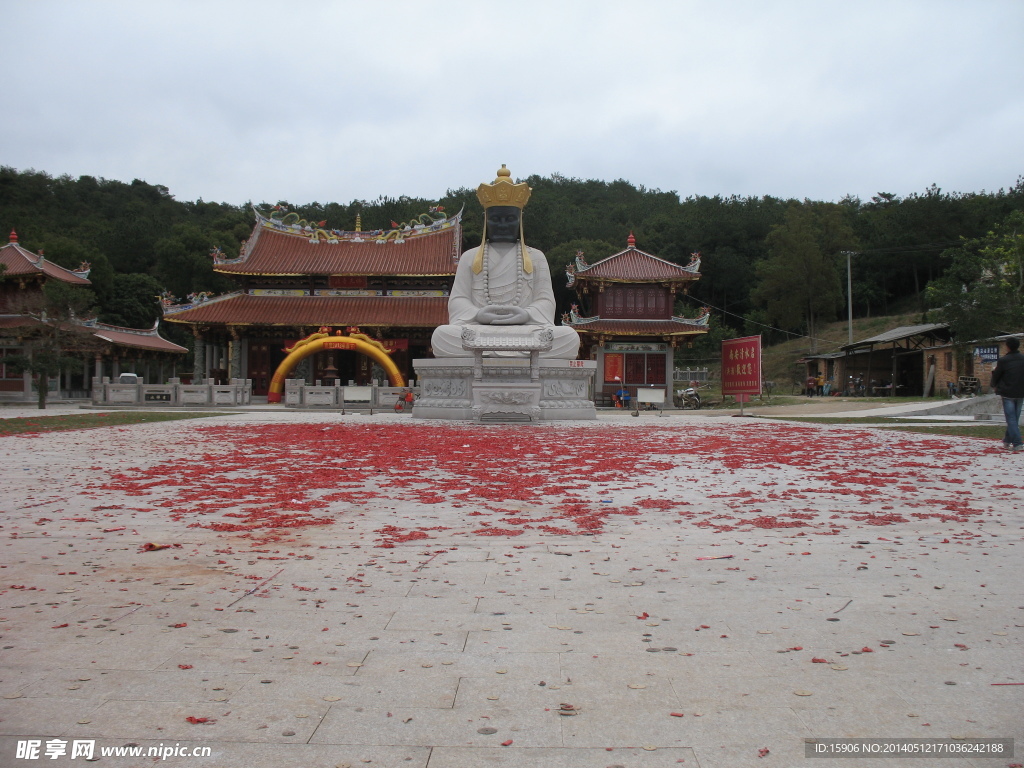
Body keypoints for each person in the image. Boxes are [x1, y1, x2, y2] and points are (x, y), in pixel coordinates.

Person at [430, 166, 581, 359]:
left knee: (568, 337)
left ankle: (494, 351)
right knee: (442, 335)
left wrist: (526, 315)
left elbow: (545, 301)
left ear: (520, 221)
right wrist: (478, 315)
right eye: (496, 219)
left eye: (509, 219)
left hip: (525, 332)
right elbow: (458, 300)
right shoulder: (470, 257)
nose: (502, 224)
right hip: (480, 331)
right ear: (486, 221)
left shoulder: (536, 257)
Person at [990, 336, 1024, 451]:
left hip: (1008, 393)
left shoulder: (1004, 360)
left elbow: (996, 375)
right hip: (1020, 392)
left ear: (1007, 347)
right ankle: (1007, 440)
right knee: (1014, 417)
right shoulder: (1022, 358)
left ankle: (1017, 443)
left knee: (1011, 418)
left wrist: (994, 385)